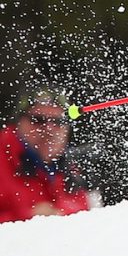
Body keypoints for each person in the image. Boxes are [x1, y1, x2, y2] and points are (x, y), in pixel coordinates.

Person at [0, 90, 92, 222]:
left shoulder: (67, 167)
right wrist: (25, 219)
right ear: (18, 123)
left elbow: (82, 211)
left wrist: (61, 213)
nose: (49, 129)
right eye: (38, 120)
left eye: (59, 121)